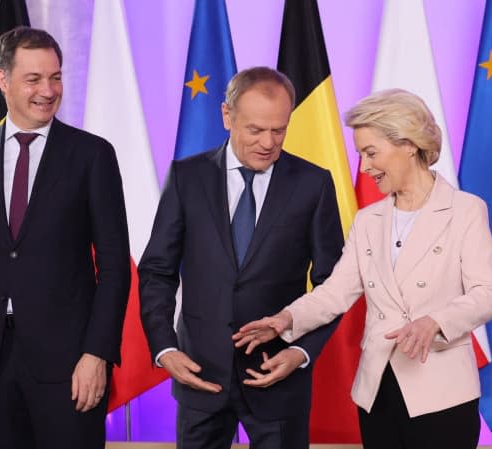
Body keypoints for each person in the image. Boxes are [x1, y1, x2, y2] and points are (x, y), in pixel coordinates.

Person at [233, 89, 492, 448]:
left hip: (442, 393)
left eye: (371, 153)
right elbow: (335, 292)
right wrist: (285, 319)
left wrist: (435, 322)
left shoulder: (465, 210)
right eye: (361, 154)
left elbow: (487, 295)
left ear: (408, 144)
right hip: (378, 388)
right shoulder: (368, 219)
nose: (364, 167)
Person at [0, 27, 130, 449]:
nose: (48, 90)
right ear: (3, 80)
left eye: (56, 77)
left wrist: (97, 354)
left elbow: (115, 267)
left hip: (70, 364)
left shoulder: (92, 155)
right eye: (34, 79)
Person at [138, 66, 344, 449]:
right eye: (255, 130)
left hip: (278, 377)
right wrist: (165, 348)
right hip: (199, 373)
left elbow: (334, 284)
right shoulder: (187, 177)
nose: (268, 142)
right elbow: (157, 271)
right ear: (227, 116)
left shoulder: (313, 184)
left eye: (278, 130)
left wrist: (300, 352)